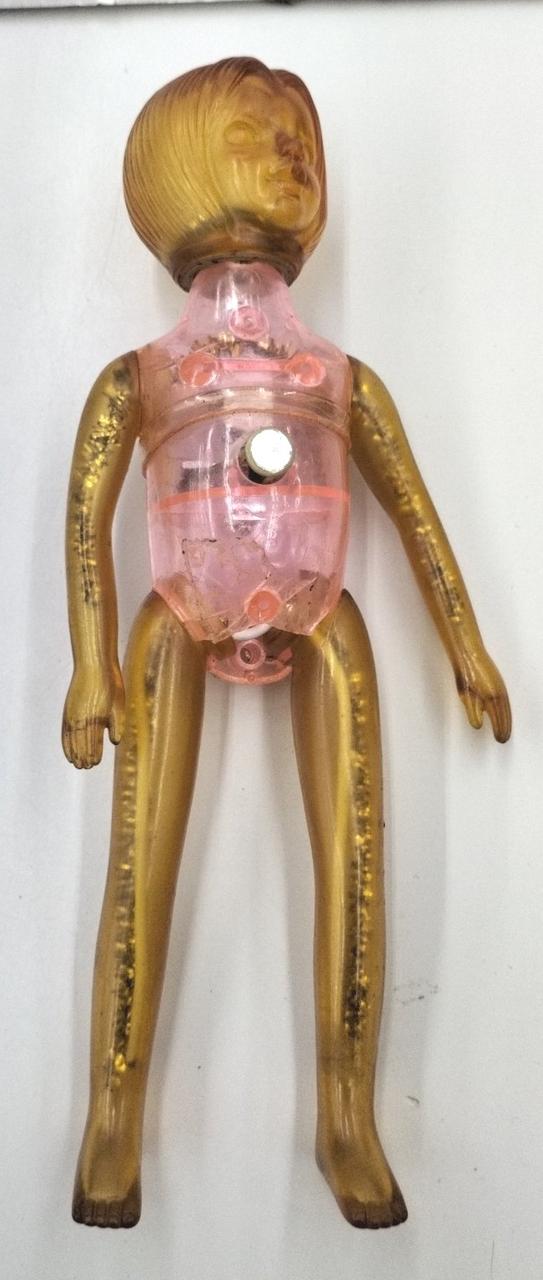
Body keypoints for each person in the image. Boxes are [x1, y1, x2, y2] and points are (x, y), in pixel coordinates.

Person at [63, 57, 511, 1230]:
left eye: (301, 141)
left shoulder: (341, 379)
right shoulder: (143, 377)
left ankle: (346, 1111)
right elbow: (88, 514)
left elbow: (413, 512)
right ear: (176, 170)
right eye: (260, 135)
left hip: (321, 610)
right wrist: (89, 660)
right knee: (136, 863)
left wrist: (465, 643)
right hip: (177, 608)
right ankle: (114, 1109)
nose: (294, 157)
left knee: (356, 851)